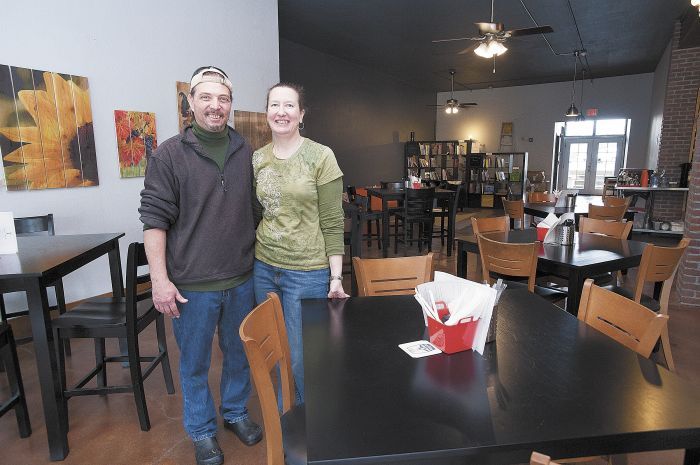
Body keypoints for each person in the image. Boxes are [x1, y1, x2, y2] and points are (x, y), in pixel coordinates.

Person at [139, 66, 261, 465]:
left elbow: (256, 212)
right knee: (194, 364)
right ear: (190, 103)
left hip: (242, 279)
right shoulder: (169, 154)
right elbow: (154, 220)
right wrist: (160, 280)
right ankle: (202, 430)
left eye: (222, 98)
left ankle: (235, 412)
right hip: (191, 286)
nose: (215, 106)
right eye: (205, 98)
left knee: (239, 355)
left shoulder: (246, 152)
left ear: (230, 104)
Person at [253, 82, 348, 406]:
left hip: (307, 273)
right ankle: (286, 421)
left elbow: (333, 221)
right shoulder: (258, 158)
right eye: (275, 105)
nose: (281, 112)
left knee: (303, 359)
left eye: (289, 106)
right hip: (264, 268)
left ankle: (312, 431)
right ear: (267, 112)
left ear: (301, 113)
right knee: (274, 352)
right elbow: (258, 213)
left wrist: (335, 277)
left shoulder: (320, 156)